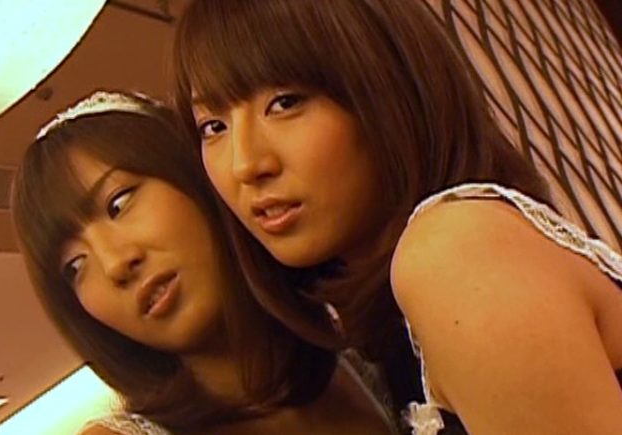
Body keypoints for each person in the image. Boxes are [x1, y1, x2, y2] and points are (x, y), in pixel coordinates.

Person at [172, 0, 622, 433]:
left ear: (387, 88)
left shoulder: (454, 250)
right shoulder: (383, 328)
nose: (245, 164)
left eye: (285, 103)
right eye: (213, 127)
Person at [10, 91, 394, 434]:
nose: (115, 265)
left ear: (196, 172)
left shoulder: (358, 352)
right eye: (75, 266)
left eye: (119, 204)